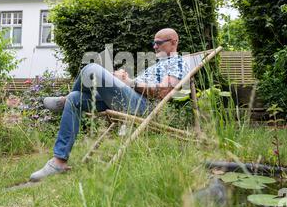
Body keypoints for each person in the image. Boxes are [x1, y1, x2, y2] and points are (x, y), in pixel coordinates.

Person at [30, 28, 190, 181]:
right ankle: (59, 162)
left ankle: (62, 101)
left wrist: (130, 82)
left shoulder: (178, 62)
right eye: (153, 43)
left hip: (143, 107)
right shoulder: (157, 64)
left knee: (91, 69)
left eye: (159, 42)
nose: (154, 46)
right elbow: (136, 84)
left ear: (173, 42)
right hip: (132, 98)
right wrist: (122, 77)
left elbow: (163, 92)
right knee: (75, 98)